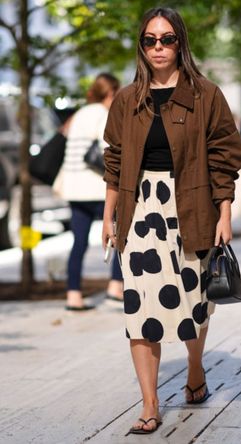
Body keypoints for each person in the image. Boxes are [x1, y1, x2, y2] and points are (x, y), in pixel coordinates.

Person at [102, 7, 241, 434]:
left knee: (192, 303)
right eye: (150, 40)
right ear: (141, 46)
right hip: (140, 211)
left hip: (192, 207)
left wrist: (225, 213)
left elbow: (225, 158)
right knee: (139, 307)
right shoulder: (128, 99)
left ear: (180, 42)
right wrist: (108, 218)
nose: (158, 47)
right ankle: (149, 405)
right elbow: (114, 161)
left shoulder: (205, 95)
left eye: (166, 39)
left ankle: (195, 370)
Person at [54, 73, 120, 310]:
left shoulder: (79, 114)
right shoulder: (102, 115)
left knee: (78, 243)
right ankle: (115, 287)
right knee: (118, 234)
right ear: (110, 93)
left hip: (74, 189)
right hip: (95, 189)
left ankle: (74, 296)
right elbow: (108, 151)